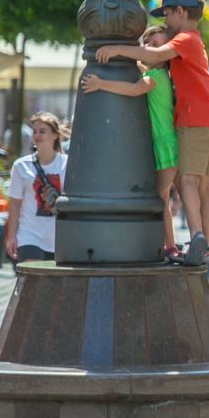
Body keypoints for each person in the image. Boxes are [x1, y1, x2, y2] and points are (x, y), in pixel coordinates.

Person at [96, 0, 209, 266]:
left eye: (166, 14)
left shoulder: (185, 38)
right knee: (204, 184)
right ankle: (208, 245)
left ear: (179, 11)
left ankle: (198, 238)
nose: (165, 21)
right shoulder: (194, 40)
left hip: (194, 117)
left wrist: (116, 48)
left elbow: (153, 57)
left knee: (188, 181)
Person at [81, 24, 179, 258]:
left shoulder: (156, 76)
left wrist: (100, 84)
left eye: (158, 46)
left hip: (166, 146)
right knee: (159, 198)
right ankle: (165, 244)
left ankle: (170, 246)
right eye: (149, 44)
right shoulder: (154, 73)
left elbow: (135, 90)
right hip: (160, 144)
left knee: (161, 198)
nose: (151, 49)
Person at [5, 112, 68, 264]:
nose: (37, 135)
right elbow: (14, 204)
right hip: (29, 236)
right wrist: (11, 236)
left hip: (59, 238)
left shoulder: (67, 164)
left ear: (55, 135)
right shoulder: (21, 166)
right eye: (35, 131)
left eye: (42, 131)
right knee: (32, 283)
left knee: (54, 286)